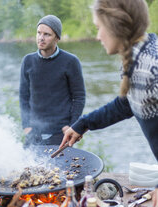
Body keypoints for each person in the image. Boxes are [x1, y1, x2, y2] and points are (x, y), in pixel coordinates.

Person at [59, 0, 158, 162]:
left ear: (115, 24)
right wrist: (83, 123)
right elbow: (127, 104)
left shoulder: (152, 66)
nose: (97, 37)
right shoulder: (137, 57)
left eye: (99, 28)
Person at [19, 14, 86, 146]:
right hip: (34, 132)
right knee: (28, 166)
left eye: (47, 34)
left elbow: (79, 97)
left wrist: (72, 126)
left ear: (57, 38)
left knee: (60, 167)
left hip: (61, 133)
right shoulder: (28, 61)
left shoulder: (70, 61)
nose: (41, 38)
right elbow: (24, 96)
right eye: (39, 33)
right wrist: (26, 125)